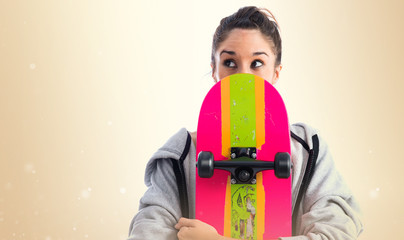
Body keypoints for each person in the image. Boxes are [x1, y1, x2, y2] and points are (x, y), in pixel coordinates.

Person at [127, 6, 363, 240]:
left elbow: (338, 233)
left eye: (257, 63)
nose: (243, 77)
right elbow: (146, 233)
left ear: (276, 72)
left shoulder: (308, 149)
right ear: (214, 71)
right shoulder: (181, 154)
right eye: (230, 62)